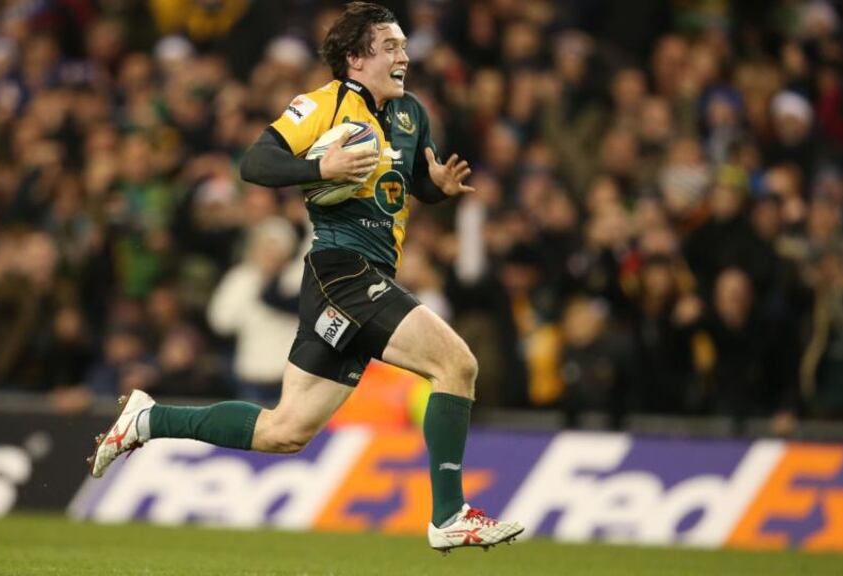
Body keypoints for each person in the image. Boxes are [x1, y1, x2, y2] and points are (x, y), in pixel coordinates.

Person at [88, 2, 523, 552]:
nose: (404, 56)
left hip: (357, 279)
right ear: (355, 58)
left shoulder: (412, 113)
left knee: (284, 431)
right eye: (390, 47)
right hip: (342, 272)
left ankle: (149, 419)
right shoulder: (321, 105)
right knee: (457, 364)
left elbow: (411, 183)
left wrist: (436, 185)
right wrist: (321, 168)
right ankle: (449, 514)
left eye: (404, 45)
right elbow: (256, 162)